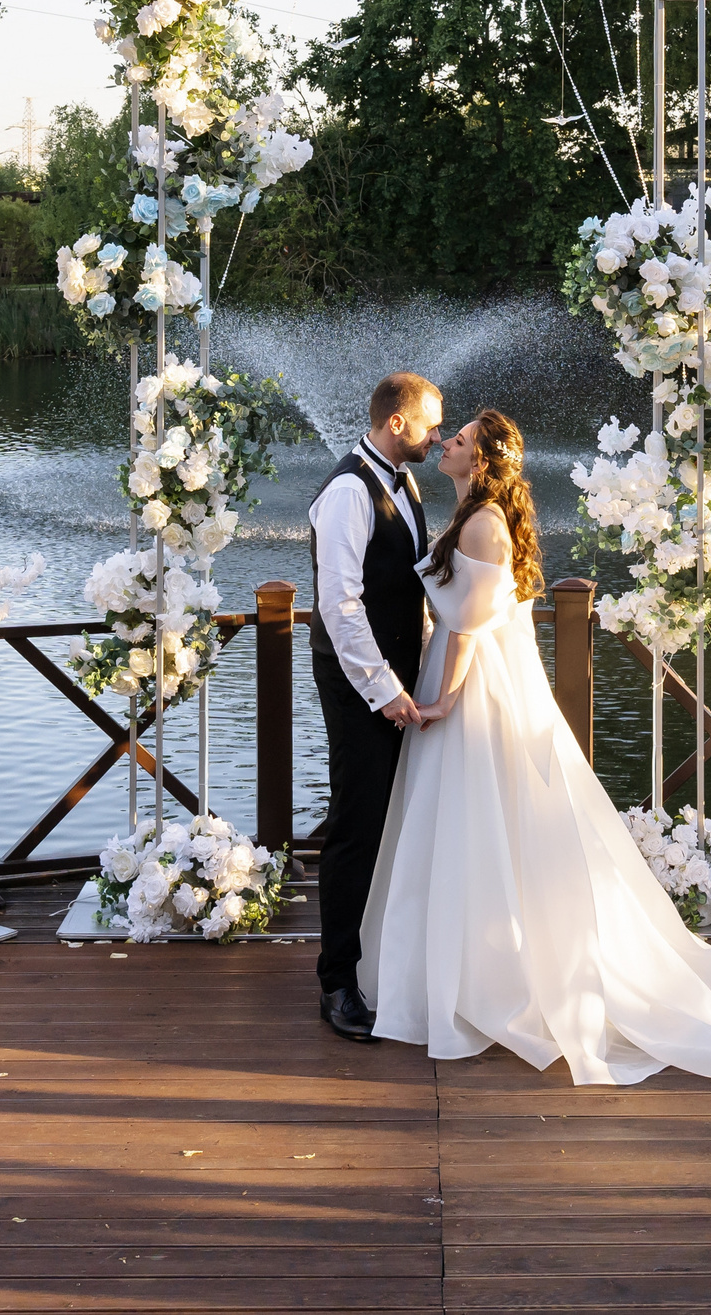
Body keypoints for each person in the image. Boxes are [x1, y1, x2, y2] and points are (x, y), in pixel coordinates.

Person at [357, 409, 711, 1085]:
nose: (446, 442)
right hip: (466, 670)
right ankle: (460, 975)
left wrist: (444, 699)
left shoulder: (481, 523)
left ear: (481, 459)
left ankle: (481, 983)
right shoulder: (471, 512)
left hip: (477, 688)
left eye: (461, 439)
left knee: (477, 821)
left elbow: (470, 626)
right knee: (466, 827)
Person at [307, 371, 443, 1042]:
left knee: (389, 823)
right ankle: (336, 983)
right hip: (359, 686)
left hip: (395, 683)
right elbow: (339, 605)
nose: (437, 434)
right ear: (398, 424)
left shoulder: (404, 481)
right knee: (356, 826)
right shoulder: (346, 492)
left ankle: (378, 961)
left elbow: (403, 590)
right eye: (431, 424)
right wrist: (387, 690)